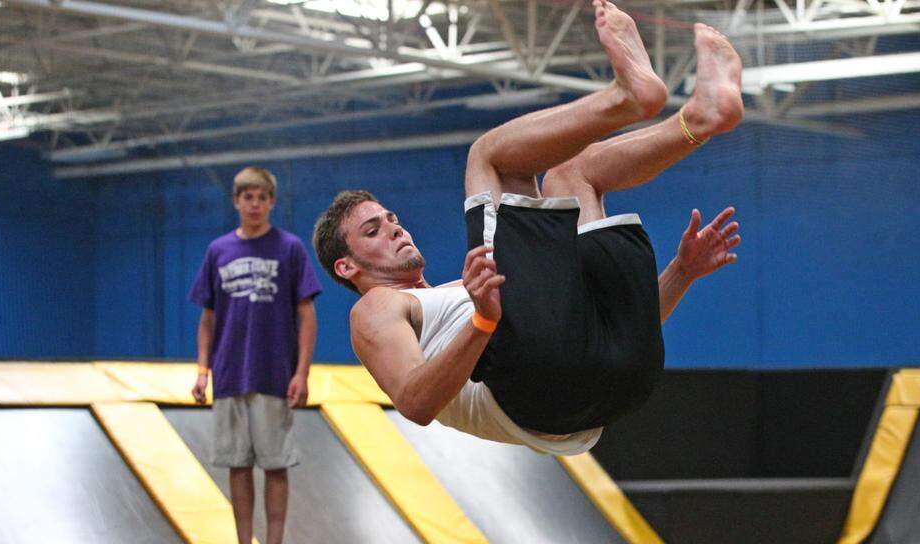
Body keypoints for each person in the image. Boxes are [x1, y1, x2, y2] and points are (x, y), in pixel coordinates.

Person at [312, 0, 743, 455]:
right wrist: (482, 321)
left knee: (571, 176)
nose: (396, 230)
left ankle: (700, 119)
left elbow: (613, 329)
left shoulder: (471, 293)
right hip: (531, 389)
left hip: (622, 382)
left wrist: (682, 272)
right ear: (345, 266)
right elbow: (415, 404)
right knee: (490, 160)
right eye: (373, 231)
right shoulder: (377, 308)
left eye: (393, 220)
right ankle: (626, 98)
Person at [189, 166, 322, 544]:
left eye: (262, 198)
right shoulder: (219, 251)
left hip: (274, 373)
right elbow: (208, 317)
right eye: (248, 197)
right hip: (230, 374)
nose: (255, 204)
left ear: (271, 203)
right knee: (237, 464)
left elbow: (306, 314)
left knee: (275, 464)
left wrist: (301, 372)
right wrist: (202, 369)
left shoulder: (289, 248)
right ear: (236, 201)